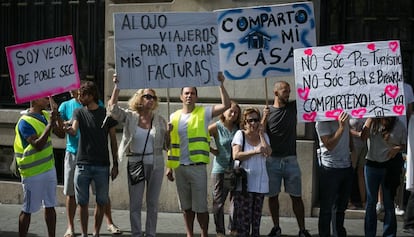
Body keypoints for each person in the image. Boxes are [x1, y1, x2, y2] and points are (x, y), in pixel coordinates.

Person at [165, 72, 230, 237]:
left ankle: (204, 234)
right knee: (186, 207)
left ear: (196, 96)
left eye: (192, 93)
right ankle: (189, 234)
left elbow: (226, 105)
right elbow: (169, 145)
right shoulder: (173, 116)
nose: (189, 96)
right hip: (180, 167)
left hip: (198, 167)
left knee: (200, 207)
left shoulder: (204, 112)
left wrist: (221, 84)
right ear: (181, 97)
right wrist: (169, 167)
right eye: (186, 93)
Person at [108, 75, 169, 237]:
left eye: (153, 97)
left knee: (152, 203)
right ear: (139, 98)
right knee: (135, 203)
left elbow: (167, 145)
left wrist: (169, 132)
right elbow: (112, 109)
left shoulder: (160, 120)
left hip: (156, 163)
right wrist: (117, 86)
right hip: (135, 162)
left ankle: (150, 234)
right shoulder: (130, 116)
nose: (150, 99)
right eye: (147, 96)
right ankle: (136, 233)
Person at [59, 89, 122, 237]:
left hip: (102, 165)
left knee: (101, 200)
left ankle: (96, 233)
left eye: (83, 95)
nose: (79, 98)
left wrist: (116, 164)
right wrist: (67, 128)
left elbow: (113, 140)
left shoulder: (106, 114)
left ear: (91, 95)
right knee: (83, 202)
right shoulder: (78, 112)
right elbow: (74, 130)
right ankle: (84, 234)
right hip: (83, 164)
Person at [261, 81, 311, 237]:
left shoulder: (292, 107)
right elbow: (260, 133)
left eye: (289, 91)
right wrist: (264, 117)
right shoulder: (268, 112)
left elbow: (309, 92)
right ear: (276, 93)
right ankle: (276, 227)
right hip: (272, 161)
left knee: (297, 196)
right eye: (284, 91)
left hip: (291, 160)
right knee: (272, 196)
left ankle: (302, 229)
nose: (288, 93)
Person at [14, 97, 65, 237]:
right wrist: (50, 123)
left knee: (50, 205)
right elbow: (38, 145)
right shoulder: (24, 122)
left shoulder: (45, 115)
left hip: (48, 168)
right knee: (28, 209)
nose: (48, 100)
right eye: (44, 97)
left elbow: (61, 134)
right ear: (35, 100)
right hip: (32, 173)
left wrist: (57, 116)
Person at [361, 117, 406, 237]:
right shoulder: (372, 121)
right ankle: (369, 234)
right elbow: (363, 137)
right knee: (371, 202)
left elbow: (405, 144)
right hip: (372, 165)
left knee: (388, 203)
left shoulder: (399, 125)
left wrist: (397, 148)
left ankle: (389, 234)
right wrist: (369, 120)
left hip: (389, 167)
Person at [231, 107, 272, 237]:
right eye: (250, 120)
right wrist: (255, 151)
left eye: (256, 120)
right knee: (243, 221)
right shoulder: (240, 135)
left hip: (260, 183)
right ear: (245, 122)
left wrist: (261, 134)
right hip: (244, 185)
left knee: (256, 221)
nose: (253, 123)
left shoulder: (264, 136)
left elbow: (268, 153)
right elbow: (236, 155)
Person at [315, 111, 353, 237]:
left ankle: (339, 233)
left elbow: (349, 137)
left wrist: (351, 150)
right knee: (326, 208)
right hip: (330, 169)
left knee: (341, 208)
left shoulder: (344, 115)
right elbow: (329, 144)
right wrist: (341, 127)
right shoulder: (322, 122)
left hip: (346, 166)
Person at [208, 101, 241, 237]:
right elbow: (202, 136)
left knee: (235, 200)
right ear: (224, 111)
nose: (233, 114)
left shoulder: (239, 128)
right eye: (230, 111)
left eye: (236, 112)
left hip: (235, 168)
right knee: (218, 202)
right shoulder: (217, 127)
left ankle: (233, 228)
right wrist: (212, 150)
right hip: (220, 169)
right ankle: (219, 231)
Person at [349, 118, 367, 209]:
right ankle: (347, 201)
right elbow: (345, 128)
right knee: (350, 172)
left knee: (362, 172)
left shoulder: (367, 110)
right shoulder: (349, 110)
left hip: (365, 144)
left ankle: (364, 201)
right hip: (353, 144)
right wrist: (358, 134)